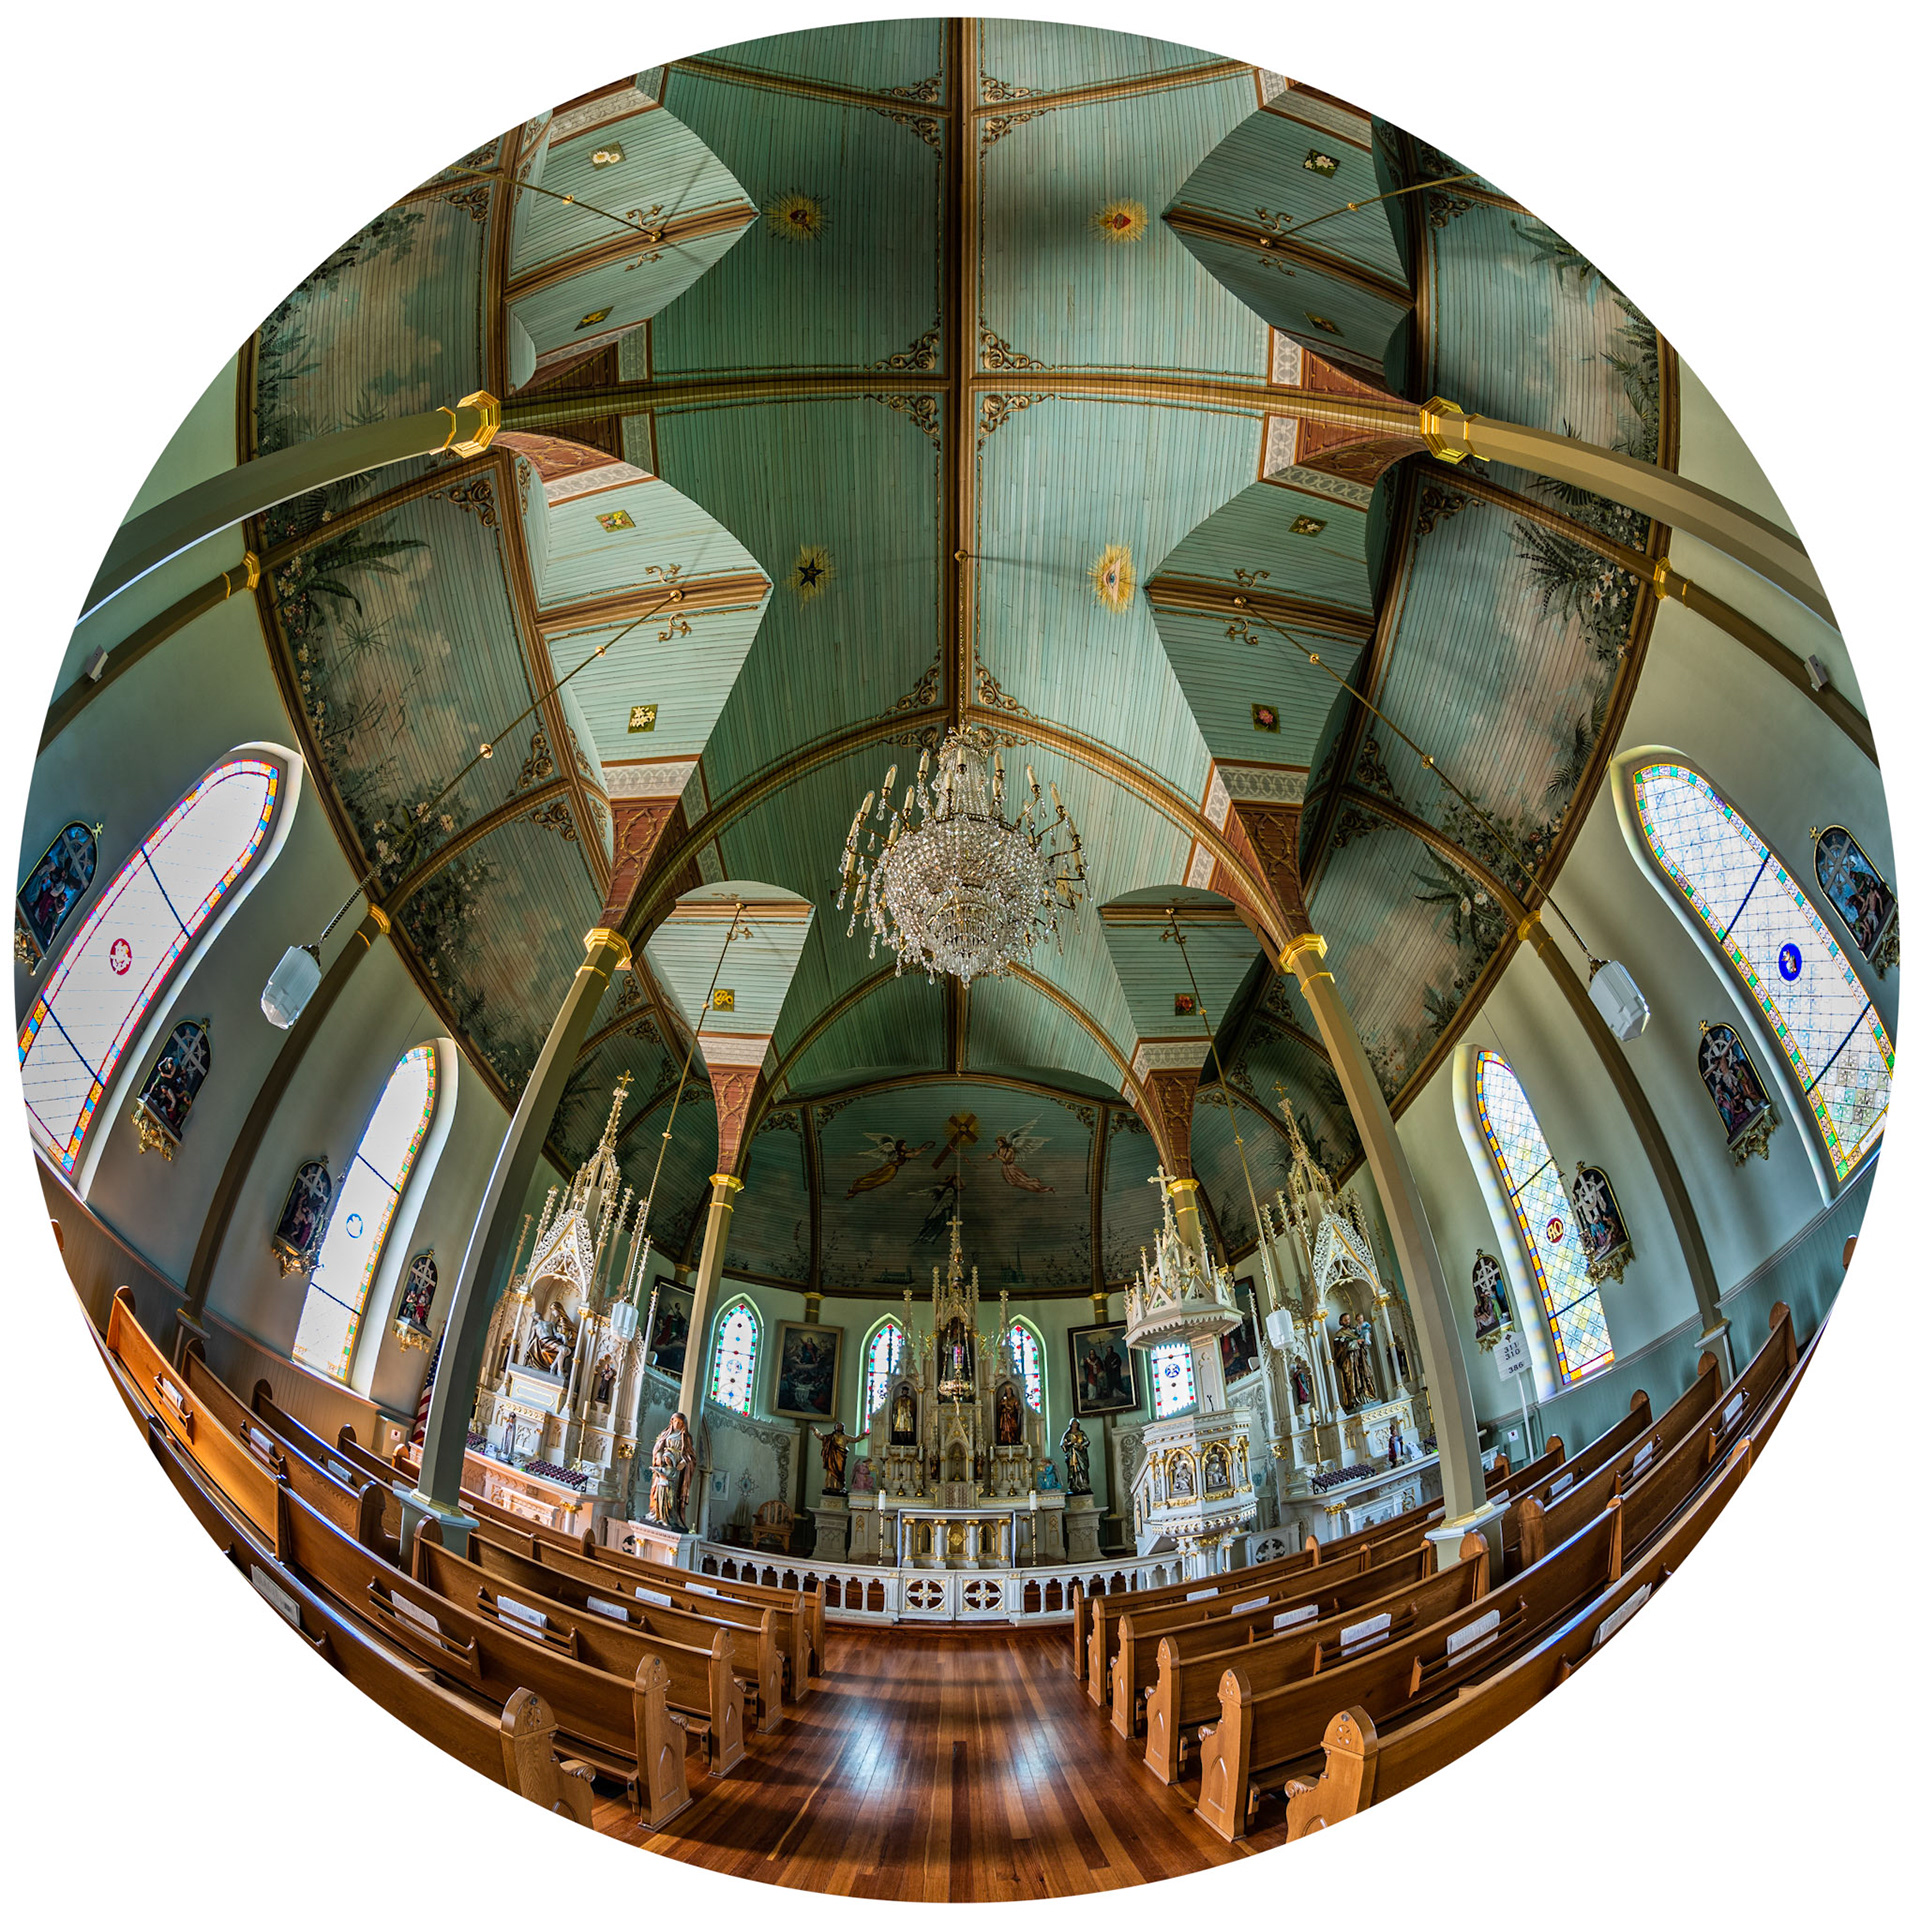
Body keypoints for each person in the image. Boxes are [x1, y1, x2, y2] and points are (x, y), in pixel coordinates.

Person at [649, 1411, 693, 1529]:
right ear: (671, 1421)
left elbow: (690, 1455)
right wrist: (659, 1456)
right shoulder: (665, 1434)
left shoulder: (686, 1437)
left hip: (676, 1468)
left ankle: (669, 1517)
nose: (677, 1424)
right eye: (675, 1421)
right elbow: (658, 1448)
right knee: (660, 1489)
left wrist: (684, 1461)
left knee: (671, 1492)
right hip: (664, 1465)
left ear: (683, 1424)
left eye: (680, 1422)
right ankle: (658, 1513)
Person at [819, 1420, 849, 1494]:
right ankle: (829, 1485)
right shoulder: (830, 1437)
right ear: (835, 1427)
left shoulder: (845, 1437)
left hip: (840, 1457)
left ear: (843, 1428)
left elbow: (855, 1439)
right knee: (830, 1471)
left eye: (840, 1426)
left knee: (839, 1472)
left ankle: (839, 1487)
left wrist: (862, 1436)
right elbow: (821, 1437)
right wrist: (815, 1430)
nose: (839, 1427)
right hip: (831, 1457)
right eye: (837, 1426)